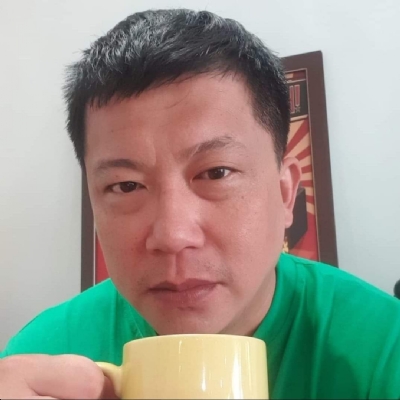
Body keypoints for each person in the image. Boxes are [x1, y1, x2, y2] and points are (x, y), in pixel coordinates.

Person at [1, 8, 399, 399]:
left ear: (285, 192)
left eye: (216, 173)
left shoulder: (383, 347)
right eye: (126, 185)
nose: (173, 236)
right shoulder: (43, 357)